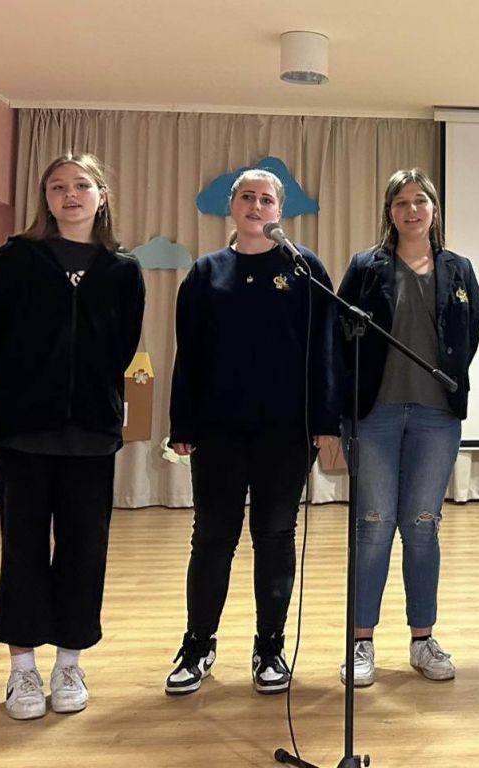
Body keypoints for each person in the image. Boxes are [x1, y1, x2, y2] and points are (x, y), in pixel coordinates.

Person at [0, 153, 145, 720]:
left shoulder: (123, 269)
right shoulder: (14, 259)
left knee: (84, 550)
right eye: (57, 186)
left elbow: (123, 347)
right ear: (45, 198)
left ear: (101, 195)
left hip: (92, 436)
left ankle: (69, 662)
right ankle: (22, 669)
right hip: (23, 434)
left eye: (81, 185)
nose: (69, 195)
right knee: (22, 550)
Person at [165, 169, 340, 696]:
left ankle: (270, 647)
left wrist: (325, 420)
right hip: (218, 430)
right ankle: (198, 644)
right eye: (248, 197)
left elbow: (324, 348)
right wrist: (182, 424)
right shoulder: (206, 273)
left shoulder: (304, 268)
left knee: (275, 535)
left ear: (279, 211)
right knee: (212, 537)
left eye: (266, 199)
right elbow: (188, 355)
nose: (256, 206)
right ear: (232, 206)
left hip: (285, 432)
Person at [335, 169, 479, 687]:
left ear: (434, 209)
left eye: (421, 201)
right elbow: (340, 335)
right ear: (390, 212)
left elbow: (471, 330)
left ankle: (423, 639)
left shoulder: (459, 269)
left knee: (422, 526)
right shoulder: (366, 267)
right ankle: (361, 643)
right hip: (374, 415)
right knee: (374, 525)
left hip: (435, 417)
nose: (412, 210)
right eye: (401, 202)